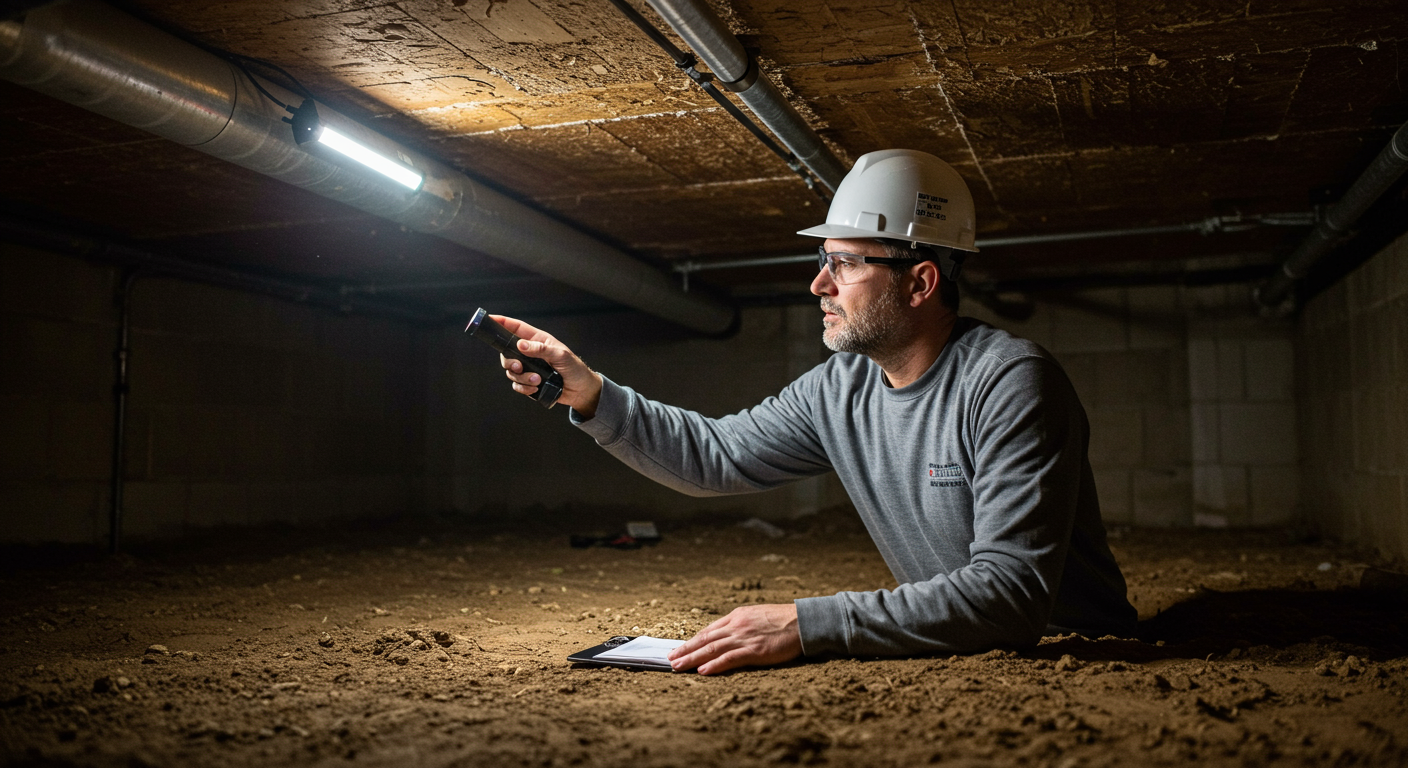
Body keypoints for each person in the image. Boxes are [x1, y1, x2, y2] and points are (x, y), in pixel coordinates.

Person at [495, 149, 1137, 675]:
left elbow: (1009, 594)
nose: (819, 285)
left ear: (920, 282)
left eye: (846, 264)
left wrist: (806, 623)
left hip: (1080, 658)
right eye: (823, 260)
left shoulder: (1008, 383)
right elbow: (715, 455)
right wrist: (591, 393)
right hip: (966, 654)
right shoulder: (843, 387)